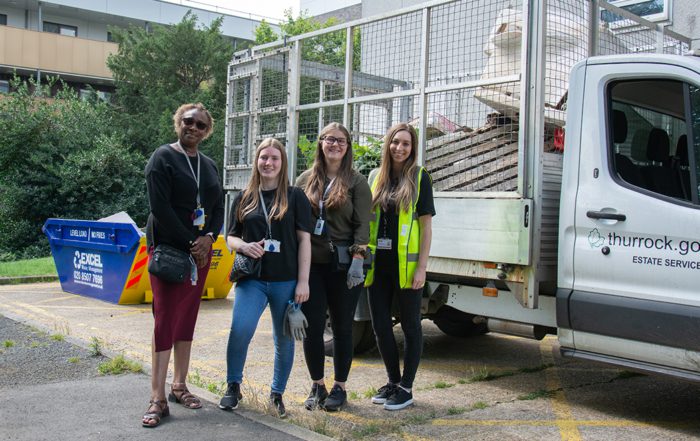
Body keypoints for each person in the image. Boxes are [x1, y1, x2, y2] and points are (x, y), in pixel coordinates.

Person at [143, 103, 224, 428]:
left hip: (200, 253)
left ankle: (179, 385)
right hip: (170, 251)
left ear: (207, 131)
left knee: (188, 316)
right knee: (165, 318)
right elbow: (159, 207)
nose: (193, 128)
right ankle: (157, 396)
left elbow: (218, 205)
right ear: (178, 122)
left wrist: (210, 237)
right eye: (188, 121)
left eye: (201, 125)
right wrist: (192, 242)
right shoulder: (162, 158)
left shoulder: (209, 164)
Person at [219, 138, 313, 418]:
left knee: (283, 340)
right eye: (263, 157)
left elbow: (304, 241)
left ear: (282, 163)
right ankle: (233, 386)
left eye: (274, 158)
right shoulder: (245, 196)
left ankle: (277, 394)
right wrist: (243, 246)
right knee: (240, 331)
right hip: (252, 279)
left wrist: (303, 281)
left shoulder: (295, 196)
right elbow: (230, 237)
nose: (268, 163)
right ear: (256, 161)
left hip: (286, 280)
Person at [295, 122, 372, 412]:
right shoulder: (305, 179)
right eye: (329, 139)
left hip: (344, 265)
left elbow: (363, 224)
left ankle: (340, 387)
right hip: (311, 265)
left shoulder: (356, 181)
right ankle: (317, 385)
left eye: (340, 140)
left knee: (342, 328)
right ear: (320, 143)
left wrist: (358, 258)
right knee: (313, 328)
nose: (334, 145)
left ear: (347, 146)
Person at [365, 122, 435, 411]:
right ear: (388, 144)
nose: (399, 148)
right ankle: (393, 381)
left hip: (406, 268)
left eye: (406, 143)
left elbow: (426, 228)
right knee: (381, 326)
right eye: (395, 142)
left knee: (410, 327)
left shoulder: (420, 178)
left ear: (413, 148)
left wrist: (422, 268)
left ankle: (406, 387)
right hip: (377, 265)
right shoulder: (374, 177)